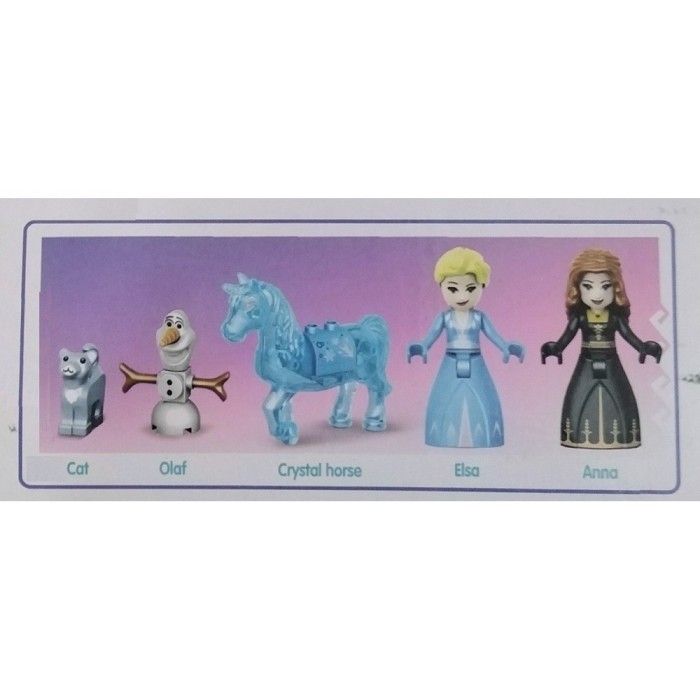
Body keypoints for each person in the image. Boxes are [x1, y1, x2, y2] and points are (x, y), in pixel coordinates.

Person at [541, 248, 662, 449]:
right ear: (577, 289)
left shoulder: (615, 317)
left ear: (615, 288)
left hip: (611, 361)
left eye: (605, 286)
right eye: (588, 286)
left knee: (619, 396)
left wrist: (643, 347)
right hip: (586, 361)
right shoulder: (580, 317)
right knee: (578, 397)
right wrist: (556, 348)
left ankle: (622, 438)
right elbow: (567, 337)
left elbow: (628, 335)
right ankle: (577, 437)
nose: (597, 294)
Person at [407, 247, 524, 447]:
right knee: (443, 398)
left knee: (484, 397)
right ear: (442, 287)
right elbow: (431, 336)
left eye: (470, 288)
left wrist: (505, 346)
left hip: (476, 360)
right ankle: (439, 437)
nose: (462, 295)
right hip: (450, 361)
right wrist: (423, 346)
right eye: (453, 289)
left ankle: (487, 437)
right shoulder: (445, 317)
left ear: (482, 287)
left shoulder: (479, 317)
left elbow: (493, 335)